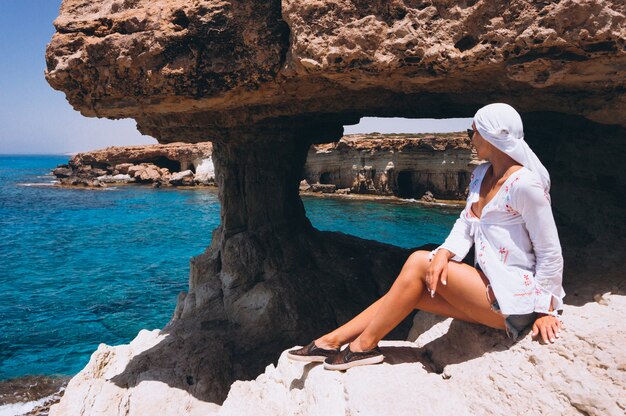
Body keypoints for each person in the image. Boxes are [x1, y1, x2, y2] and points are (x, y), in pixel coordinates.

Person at [288, 103, 565, 371]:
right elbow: (466, 223)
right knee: (412, 292)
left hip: (516, 299)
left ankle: (363, 347)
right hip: (489, 290)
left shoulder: (524, 184)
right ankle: (329, 342)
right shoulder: (482, 174)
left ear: (491, 135)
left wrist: (544, 310)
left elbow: (550, 251)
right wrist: (444, 252)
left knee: (420, 261)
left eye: (473, 132)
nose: (470, 140)